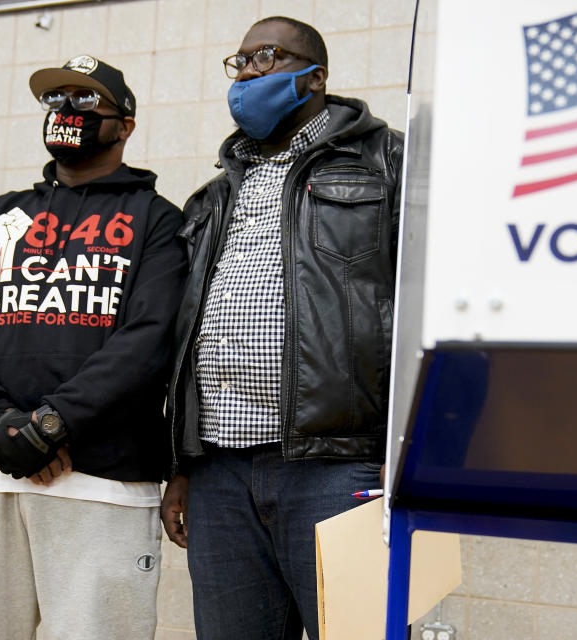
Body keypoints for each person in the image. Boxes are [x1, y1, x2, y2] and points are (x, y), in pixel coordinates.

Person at [0, 55, 186, 640]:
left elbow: (149, 339)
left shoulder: (158, 222)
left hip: (102, 482)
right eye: (56, 100)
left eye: (87, 101)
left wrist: (50, 424)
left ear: (126, 124)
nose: (67, 111)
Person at [160, 17, 404, 640]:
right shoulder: (212, 196)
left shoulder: (391, 162)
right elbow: (185, 334)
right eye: (237, 62)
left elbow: (444, 306)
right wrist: (182, 463)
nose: (245, 75)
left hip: (342, 467)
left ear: (316, 77)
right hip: (219, 475)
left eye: (264, 58)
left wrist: (413, 451)